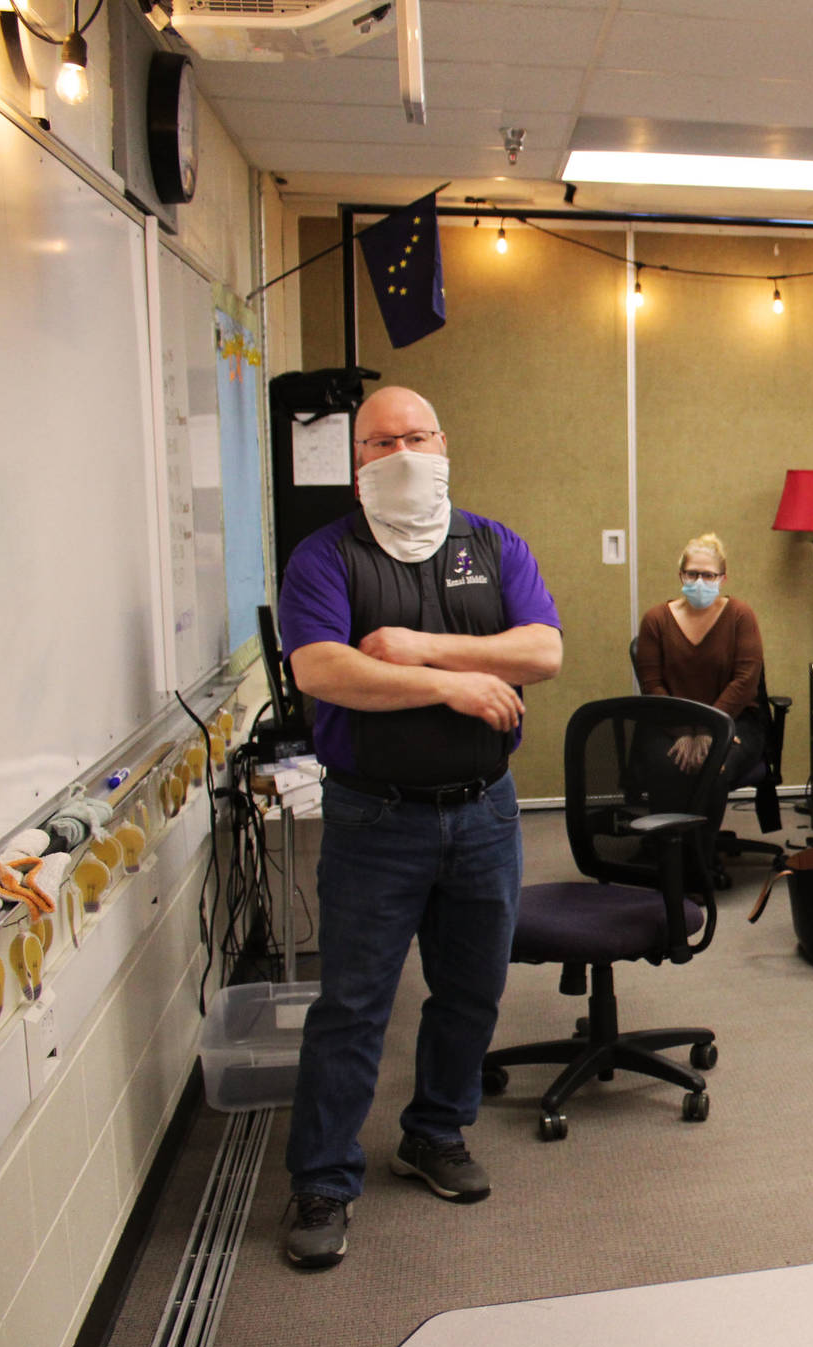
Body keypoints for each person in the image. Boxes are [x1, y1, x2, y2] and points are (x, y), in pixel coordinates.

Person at [276, 385, 562, 1270]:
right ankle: (323, 1179)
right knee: (353, 1006)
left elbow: (543, 650)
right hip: (375, 817)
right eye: (378, 442)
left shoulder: (491, 543)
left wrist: (421, 648)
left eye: (415, 436)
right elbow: (323, 668)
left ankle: (435, 1132)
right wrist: (453, 686)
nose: (399, 453)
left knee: (472, 990)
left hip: (484, 811)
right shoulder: (324, 557)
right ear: (354, 461)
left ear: (444, 443)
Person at [634, 533, 769, 797]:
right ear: (681, 575)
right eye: (692, 574)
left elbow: (745, 681)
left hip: (734, 720)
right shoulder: (655, 620)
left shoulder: (740, 615)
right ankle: (669, 838)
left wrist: (711, 729)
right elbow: (652, 685)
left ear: (723, 578)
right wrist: (684, 731)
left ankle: (703, 840)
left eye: (708, 575)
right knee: (667, 766)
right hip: (669, 720)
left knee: (714, 765)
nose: (699, 582)